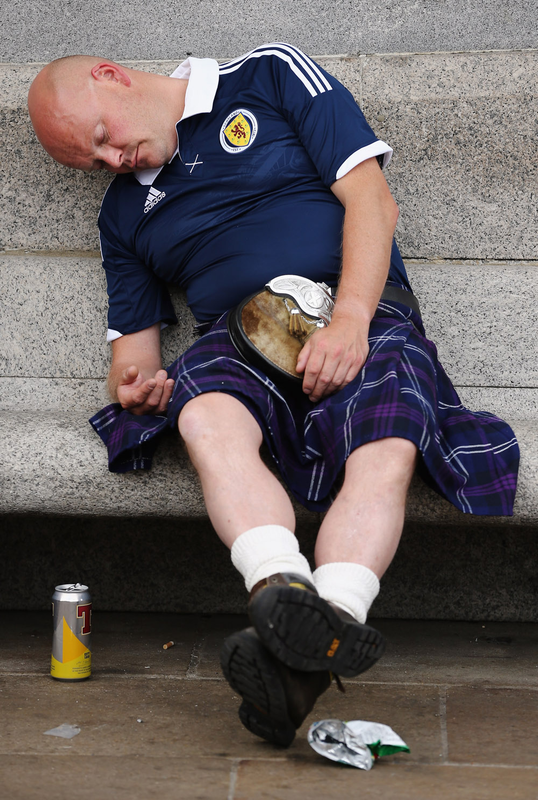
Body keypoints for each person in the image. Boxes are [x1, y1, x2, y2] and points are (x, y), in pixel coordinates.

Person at [28, 43, 519, 747]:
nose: (112, 161)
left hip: (356, 311)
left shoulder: (268, 74)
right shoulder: (123, 214)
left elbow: (372, 201)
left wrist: (349, 321)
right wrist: (136, 387)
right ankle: (283, 591)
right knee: (202, 413)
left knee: (387, 443)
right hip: (238, 340)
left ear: (110, 76)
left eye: (103, 137)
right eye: (93, 162)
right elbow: (132, 355)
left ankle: (311, 642)